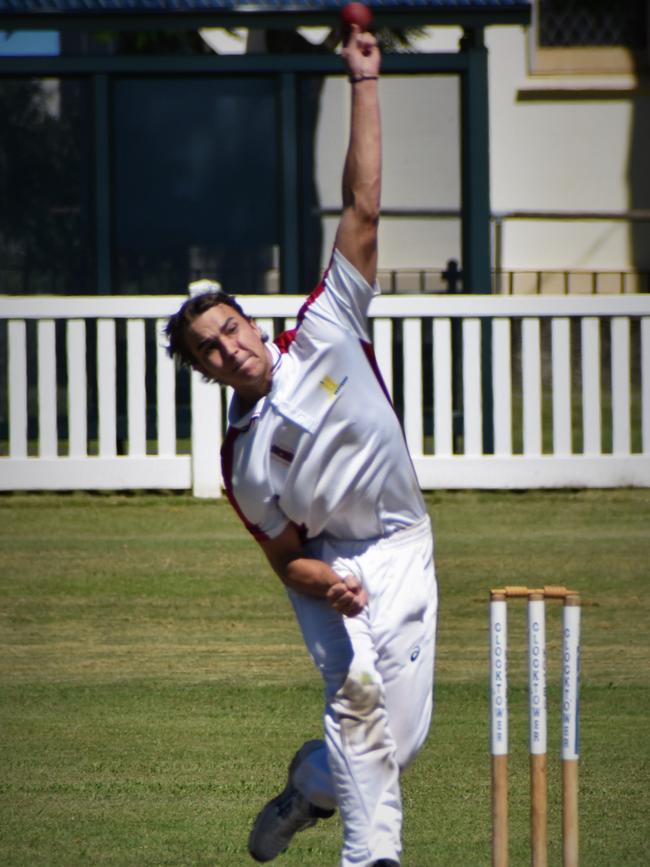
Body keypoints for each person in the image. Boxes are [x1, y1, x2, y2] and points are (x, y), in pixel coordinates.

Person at [165, 25, 438, 867]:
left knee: (404, 739)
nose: (228, 347)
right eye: (210, 348)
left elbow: (362, 207)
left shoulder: (327, 324)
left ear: (252, 320)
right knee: (358, 706)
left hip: (402, 542)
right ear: (207, 372)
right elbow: (286, 557)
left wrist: (364, 83)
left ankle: (304, 788)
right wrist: (323, 579)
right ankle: (372, 858)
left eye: (230, 327)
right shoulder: (240, 461)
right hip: (334, 571)